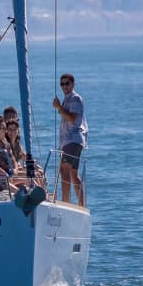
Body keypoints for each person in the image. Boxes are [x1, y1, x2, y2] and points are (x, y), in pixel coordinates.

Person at [52, 73, 88, 205]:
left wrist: (59, 107)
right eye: (62, 84)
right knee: (73, 174)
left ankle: (65, 202)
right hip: (71, 141)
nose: (64, 86)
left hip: (72, 139)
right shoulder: (67, 99)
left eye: (67, 83)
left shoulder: (75, 98)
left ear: (73, 84)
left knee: (64, 170)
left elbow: (72, 119)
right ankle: (81, 205)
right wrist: (60, 106)